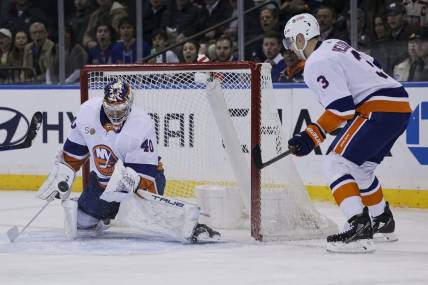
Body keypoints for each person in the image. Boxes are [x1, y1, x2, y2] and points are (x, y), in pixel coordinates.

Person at [283, 13, 412, 253]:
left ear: (301, 38)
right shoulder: (334, 45)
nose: (290, 47)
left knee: (336, 163)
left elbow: (341, 108)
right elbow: (375, 64)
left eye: (290, 41)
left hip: (379, 108)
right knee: (361, 168)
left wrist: (309, 137)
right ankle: (382, 220)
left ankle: (358, 228)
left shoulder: (316, 62)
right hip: (400, 105)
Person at [37, 80, 220, 243]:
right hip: (103, 184)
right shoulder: (87, 112)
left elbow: (145, 174)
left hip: (142, 184)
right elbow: (74, 152)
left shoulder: (141, 123)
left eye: (121, 110)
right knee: (82, 222)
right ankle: (106, 214)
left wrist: (130, 180)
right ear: (104, 105)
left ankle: (190, 227)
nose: (116, 115)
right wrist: (64, 173)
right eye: (111, 110)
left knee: (154, 221)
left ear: (130, 104)